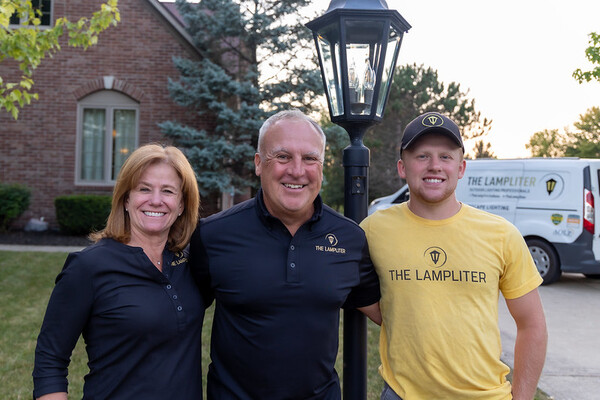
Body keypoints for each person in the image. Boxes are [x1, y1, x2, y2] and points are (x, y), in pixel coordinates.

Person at [190, 109, 381, 399]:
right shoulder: (213, 235)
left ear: (321, 165)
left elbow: (390, 314)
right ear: (258, 163)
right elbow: (175, 316)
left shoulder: (349, 238)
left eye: (310, 158)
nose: (297, 170)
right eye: (282, 156)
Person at [360, 112, 548, 400]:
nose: (434, 165)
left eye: (445, 157)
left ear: (461, 168)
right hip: (402, 394)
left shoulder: (501, 234)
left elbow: (531, 324)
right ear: (402, 167)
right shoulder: (373, 230)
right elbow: (351, 287)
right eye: (422, 156)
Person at [33, 144, 203, 399]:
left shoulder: (193, 262)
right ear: (126, 199)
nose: (156, 200)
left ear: (181, 205)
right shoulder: (89, 267)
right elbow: (50, 361)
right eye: (144, 189)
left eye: (168, 191)